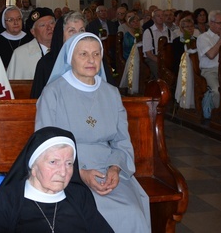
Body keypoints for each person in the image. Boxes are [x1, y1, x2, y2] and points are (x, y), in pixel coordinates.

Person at [36, 33, 151, 232]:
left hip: (108, 169)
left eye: (96, 54)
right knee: (88, 213)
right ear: (70, 58)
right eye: (83, 54)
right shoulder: (52, 93)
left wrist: (115, 168)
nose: (91, 60)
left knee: (132, 212)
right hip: (65, 172)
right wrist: (80, 173)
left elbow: (122, 141)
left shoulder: (111, 93)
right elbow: (45, 145)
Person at [0, 126, 113, 233]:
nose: (63, 172)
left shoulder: (79, 196)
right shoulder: (7, 201)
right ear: (33, 167)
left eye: (69, 163)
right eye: (53, 162)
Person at [31, 11, 87, 98]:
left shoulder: (94, 60)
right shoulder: (46, 64)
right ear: (61, 35)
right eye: (71, 31)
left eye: (81, 30)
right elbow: (38, 100)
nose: (78, 35)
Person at [8, 8, 56, 80]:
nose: (49, 28)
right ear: (33, 32)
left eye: (52, 23)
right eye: (43, 25)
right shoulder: (21, 54)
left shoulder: (66, 49)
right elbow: (13, 84)